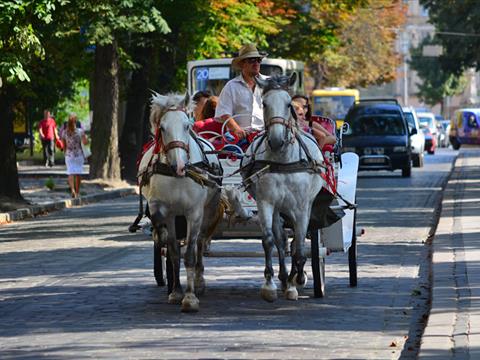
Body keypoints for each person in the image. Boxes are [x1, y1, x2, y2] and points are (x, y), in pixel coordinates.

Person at [215, 44, 268, 140]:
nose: (256, 63)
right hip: (239, 136)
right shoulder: (231, 86)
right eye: (252, 60)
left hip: (267, 135)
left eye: (258, 60)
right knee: (231, 153)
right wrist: (236, 129)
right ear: (242, 64)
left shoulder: (269, 83)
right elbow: (224, 113)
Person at [61, 113, 88, 198]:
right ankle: (77, 192)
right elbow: (85, 143)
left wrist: (65, 153)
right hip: (79, 155)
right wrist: (86, 139)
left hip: (69, 155)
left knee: (70, 173)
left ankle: (72, 189)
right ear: (76, 121)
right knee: (78, 174)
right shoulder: (80, 132)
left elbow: (64, 145)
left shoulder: (64, 132)